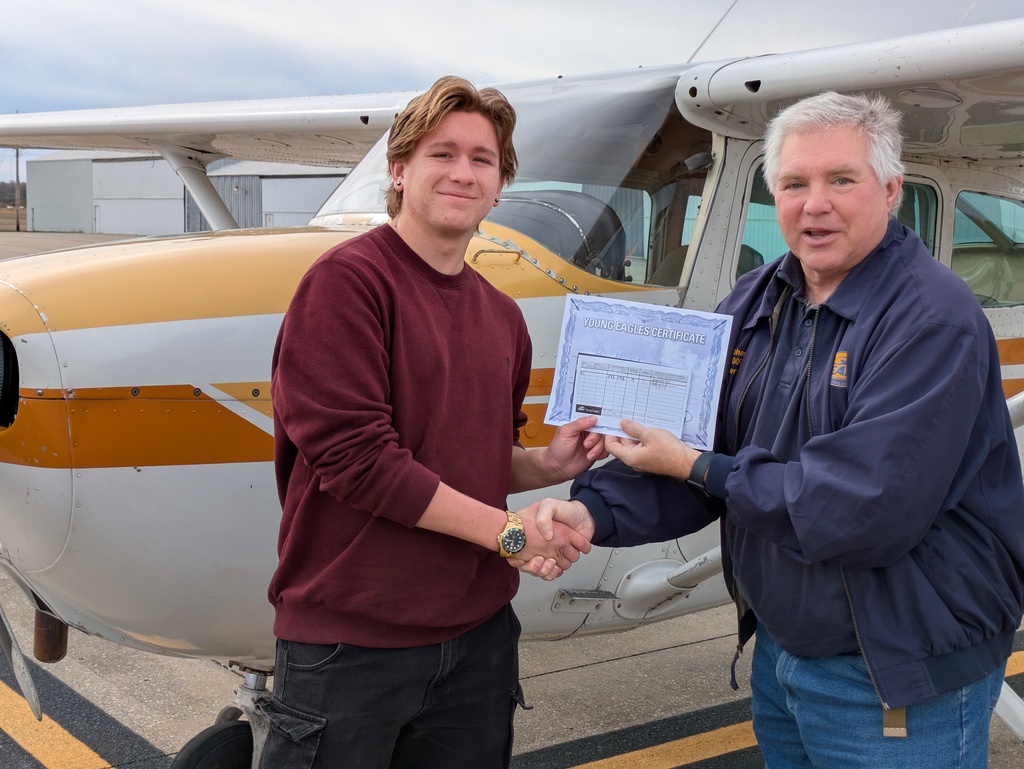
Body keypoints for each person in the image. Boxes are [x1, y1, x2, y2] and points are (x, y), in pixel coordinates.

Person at [523, 91, 1024, 768]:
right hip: (784, 657)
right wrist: (591, 511)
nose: (814, 203)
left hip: (897, 670)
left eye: (840, 179)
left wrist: (697, 466)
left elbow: (862, 509)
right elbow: (696, 448)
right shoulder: (758, 298)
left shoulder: (932, 317)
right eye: (794, 183)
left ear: (890, 189)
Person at [263, 75, 605, 769]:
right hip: (350, 648)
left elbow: (471, 453)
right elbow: (362, 461)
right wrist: (511, 533)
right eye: (441, 153)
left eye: (483, 159)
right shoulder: (347, 283)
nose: (463, 172)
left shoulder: (502, 316)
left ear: (501, 182)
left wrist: (545, 465)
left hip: (476, 643)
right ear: (399, 170)